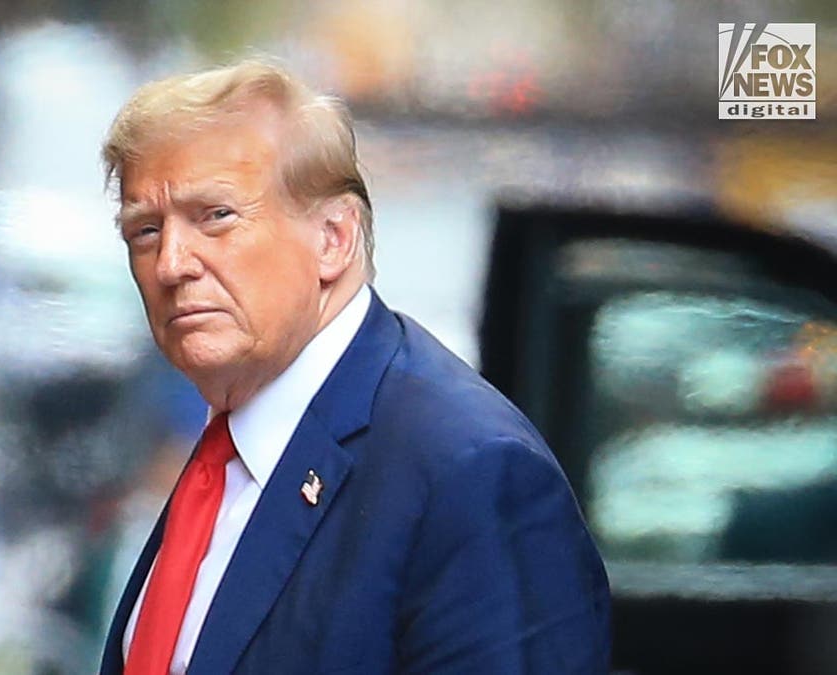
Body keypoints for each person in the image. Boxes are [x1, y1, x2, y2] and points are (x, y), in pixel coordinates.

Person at [97, 59, 611, 674]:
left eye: (216, 216)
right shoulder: (231, 446)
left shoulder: (470, 470)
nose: (172, 263)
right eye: (146, 231)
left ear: (334, 238)